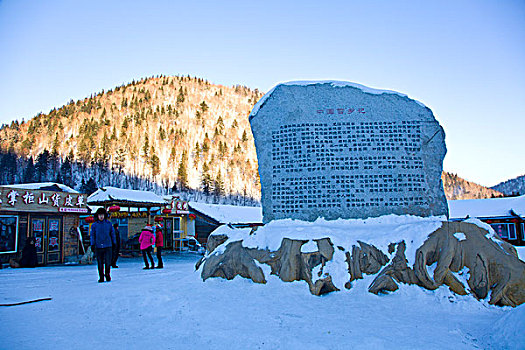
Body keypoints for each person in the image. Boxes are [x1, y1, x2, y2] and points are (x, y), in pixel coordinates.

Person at [90, 208, 116, 282]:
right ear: (97, 216)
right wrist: (92, 244)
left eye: (102, 215)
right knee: (100, 262)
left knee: (108, 262)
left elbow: (112, 234)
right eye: (99, 215)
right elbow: (92, 235)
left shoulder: (109, 224)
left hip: (108, 245)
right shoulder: (94, 225)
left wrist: (114, 243)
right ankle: (101, 276)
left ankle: (107, 274)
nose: (101, 217)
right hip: (98, 246)